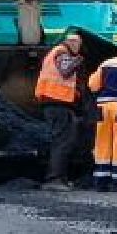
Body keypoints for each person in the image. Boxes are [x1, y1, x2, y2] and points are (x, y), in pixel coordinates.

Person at [35, 30, 85, 190]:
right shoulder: (62, 52)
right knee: (62, 142)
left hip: (56, 104)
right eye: (77, 44)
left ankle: (60, 178)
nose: (78, 47)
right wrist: (78, 60)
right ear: (71, 42)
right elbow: (65, 71)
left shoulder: (57, 52)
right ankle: (54, 179)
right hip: (57, 103)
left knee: (62, 141)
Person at [86, 51, 117, 190]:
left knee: (102, 142)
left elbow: (93, 85)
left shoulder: (106, 64)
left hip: (103, 107)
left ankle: (101, 182)